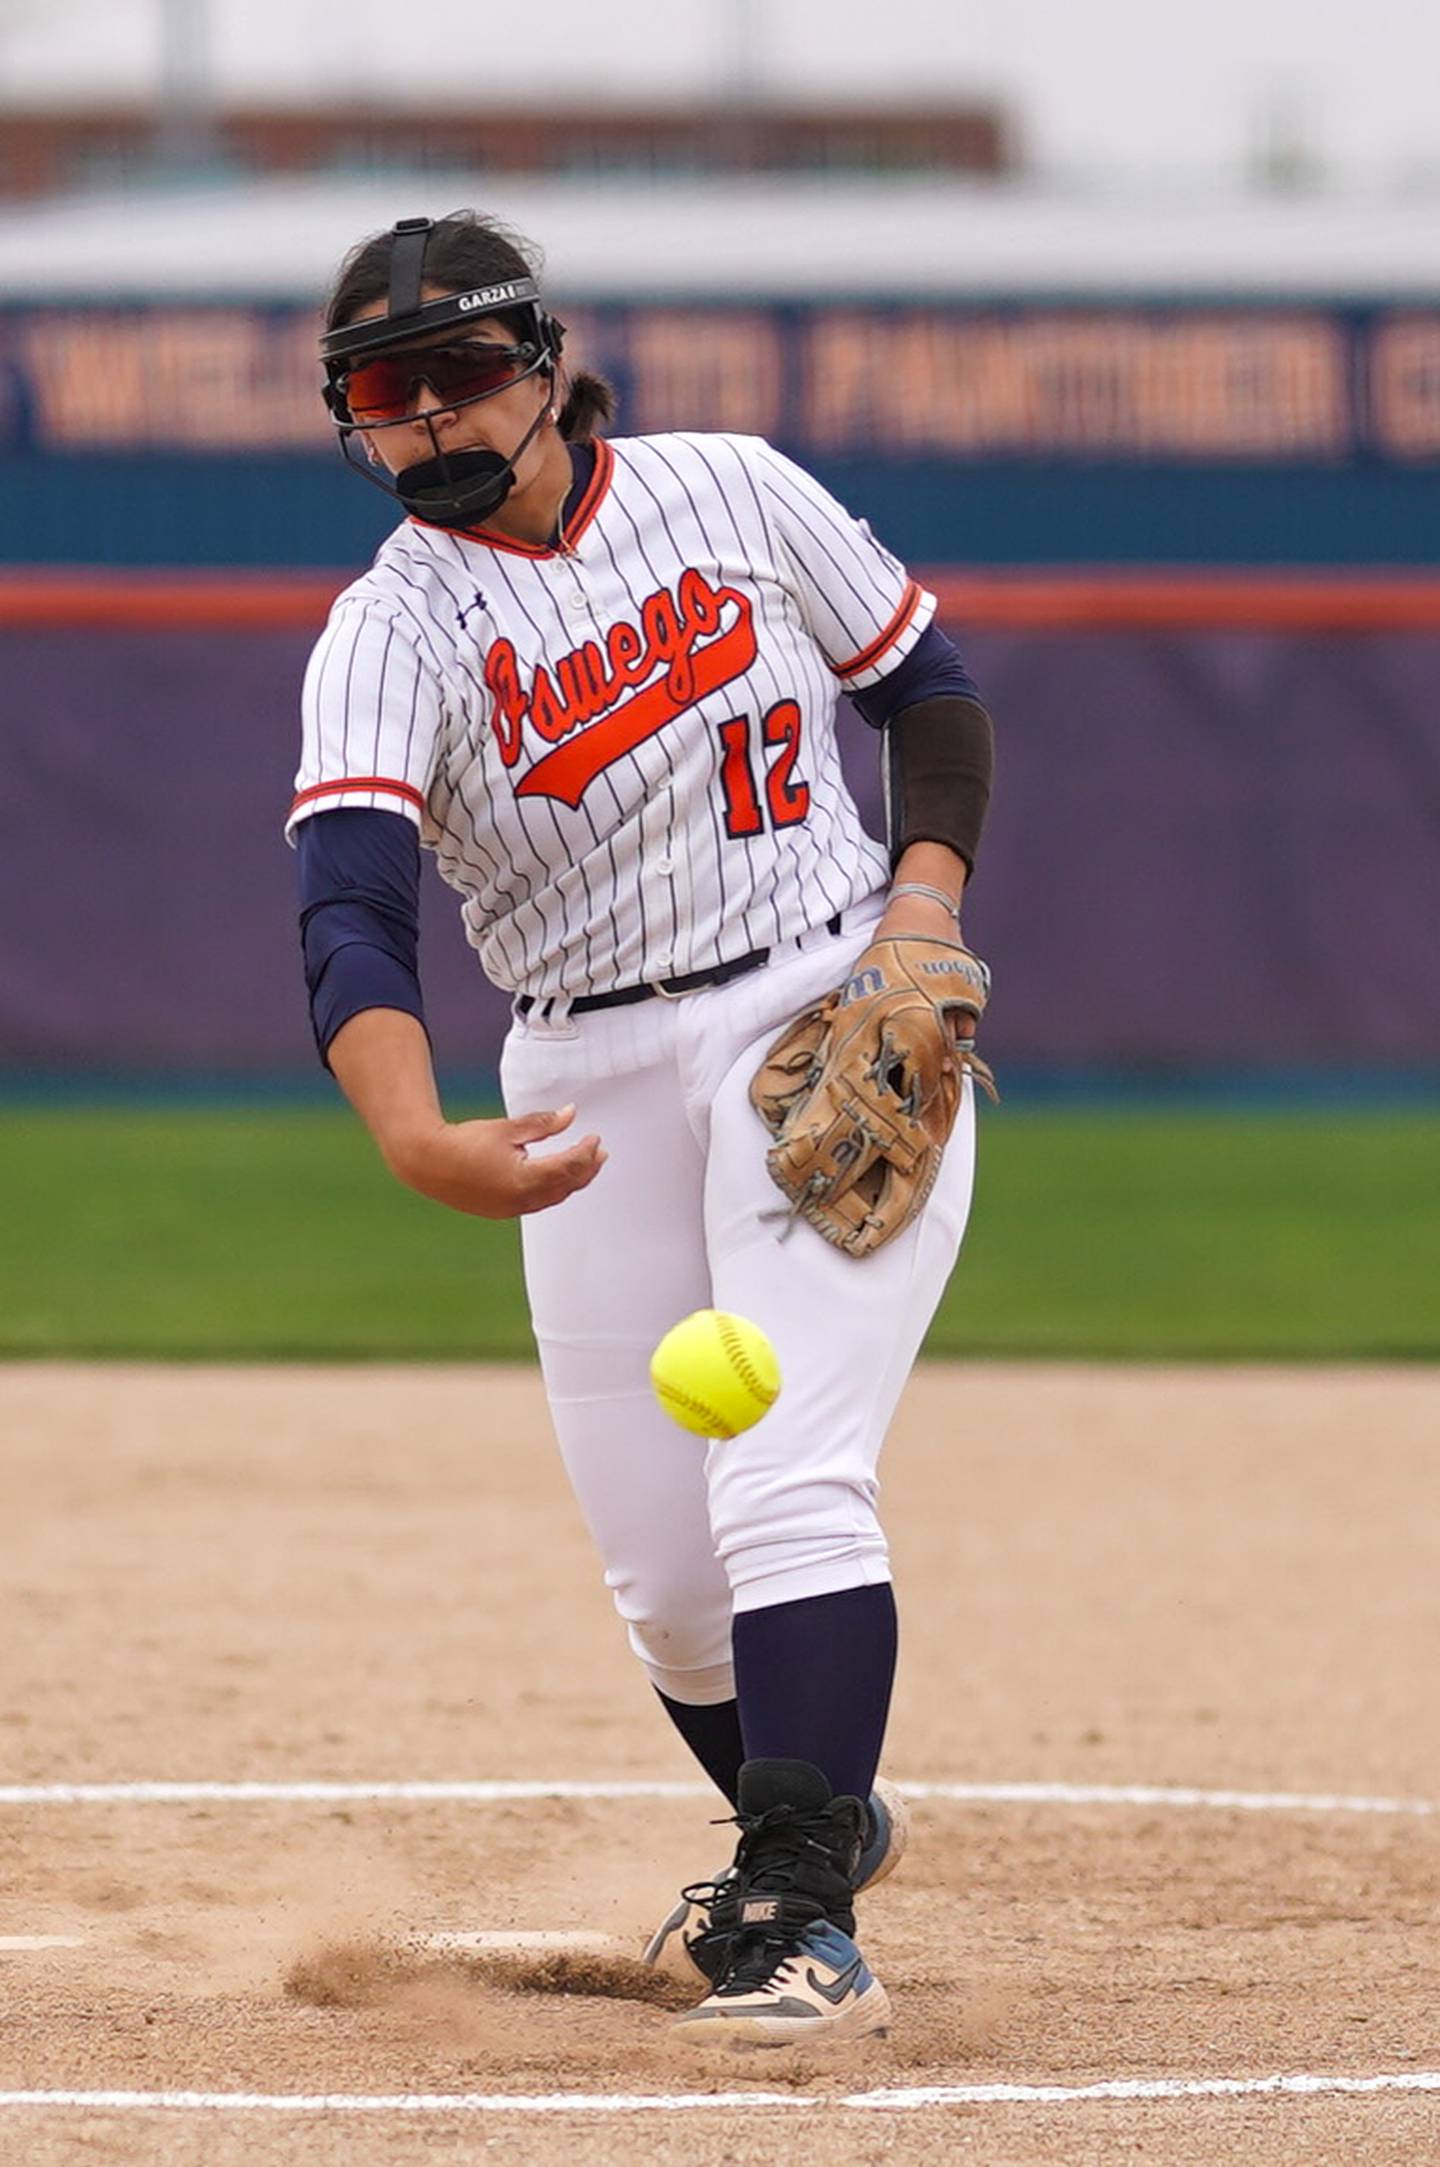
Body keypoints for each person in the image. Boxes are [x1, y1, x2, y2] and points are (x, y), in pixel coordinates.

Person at [289, 211, 995, 2049]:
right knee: (673, 1601)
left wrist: (921, 902)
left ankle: (797, 1920)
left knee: (779, 1475)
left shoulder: (732, 492)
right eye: (387, 388)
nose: (430, 414)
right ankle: (819, 1809)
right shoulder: (390, 629)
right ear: (352, 421)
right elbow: (351, 907)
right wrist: (407, 1130)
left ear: (543, 363)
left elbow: (926, 690)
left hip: (825, 1014)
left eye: (462, 370)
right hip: (579, 1073)